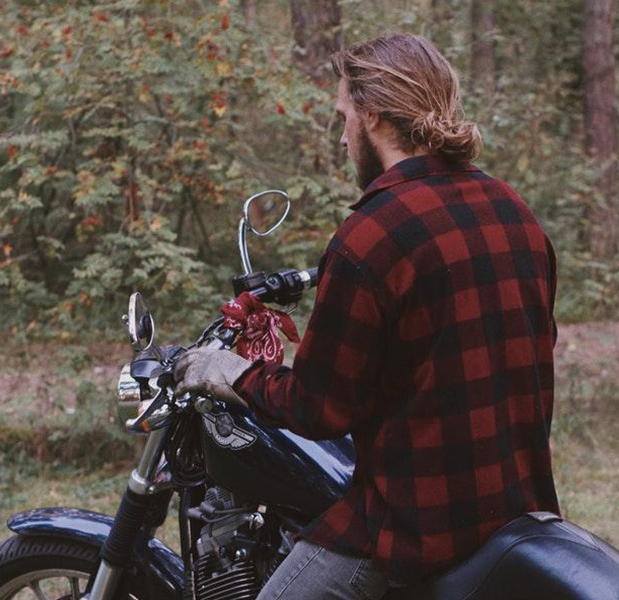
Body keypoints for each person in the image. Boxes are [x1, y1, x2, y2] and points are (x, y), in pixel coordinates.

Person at [175, 33, 559, 600]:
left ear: (373, 115)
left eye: (344, 116)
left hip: (414, 529)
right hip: (516, 512)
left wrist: (227, 371)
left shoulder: (372, 235)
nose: (342, 134)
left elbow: (318, 408)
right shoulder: (513, 211)